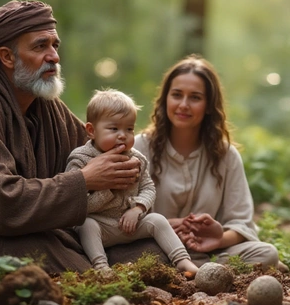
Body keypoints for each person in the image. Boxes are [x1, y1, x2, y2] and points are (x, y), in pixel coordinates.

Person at [0, 0, 166, 279]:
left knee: (151, 248)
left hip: (42, 230)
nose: (54, 56)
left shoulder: (46, 106)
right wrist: (84, 180)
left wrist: (142, 211)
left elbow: (98, 150)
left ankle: (104, 274)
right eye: (40, 47)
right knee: (44, 253)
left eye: (55, 45)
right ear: (7, 57)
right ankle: (99, 282)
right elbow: (3, 207)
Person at [134, 54, 281, 269]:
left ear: (209, 105)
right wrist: (161, 227)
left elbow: (242, 224)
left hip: (210, 253)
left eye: (195, 97)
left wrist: (217, 238)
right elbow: (120, 215)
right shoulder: (140, 148)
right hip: (154, 248)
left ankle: (203, 272)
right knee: (126, 253)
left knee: (266, 253)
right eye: (176, 95)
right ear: (165, 99)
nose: (183, 105)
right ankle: (200, 273)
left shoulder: (226, 156)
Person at [65, 88, 199, 276]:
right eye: (114, 129)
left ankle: (182, 261)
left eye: (129, 129)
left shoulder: (136, 158)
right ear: (91, 130)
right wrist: (108, 187)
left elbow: (148, 187)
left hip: (129, 224)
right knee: (86, 225)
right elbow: (76, 203)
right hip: (101, 226)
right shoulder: (81, 159)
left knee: (157, 220)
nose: (123, 135)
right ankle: (101, 267)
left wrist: (137, 209)